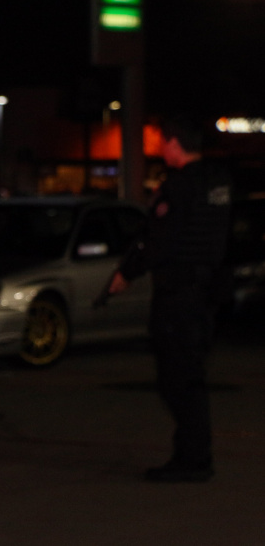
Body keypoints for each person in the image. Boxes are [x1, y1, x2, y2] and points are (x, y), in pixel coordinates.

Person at [107, 115, 231, 482]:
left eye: (163, 142)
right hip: (206, 292)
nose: (161, 149)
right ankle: (194, 455)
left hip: (179, 295)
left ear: (175, 144)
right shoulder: (218, 180)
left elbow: (158, 241)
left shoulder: (178, 187)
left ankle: (192, 459)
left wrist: (126, 274)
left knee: (177, 378)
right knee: (190, 375)